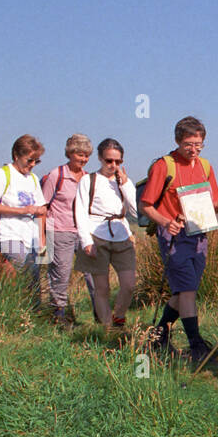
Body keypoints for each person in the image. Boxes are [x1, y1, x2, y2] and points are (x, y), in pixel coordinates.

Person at [140, 115, 218, 364]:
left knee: (184, 291)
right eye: (189, 144)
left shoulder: (205, 166)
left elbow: (211, 204)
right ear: (177, 141)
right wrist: (166, 223)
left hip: (199, 234)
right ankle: (196, 346)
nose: (194, 150)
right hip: (173, 235)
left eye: (198, 144)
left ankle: (158, 337)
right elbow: (146, 205)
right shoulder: (165, 165)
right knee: (188, 290)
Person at [74, 138, 138, 330]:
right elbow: (80, 211)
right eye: (109, 161)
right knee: (102, 288)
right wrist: (86, 241)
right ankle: (108, 328)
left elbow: (136, 211)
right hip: (96, 235)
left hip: (121, 234)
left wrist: (125, 185)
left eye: (118, 162)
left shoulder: (124, 182)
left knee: (129, 285)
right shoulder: (88, 180)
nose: (113, 165)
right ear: (100, 159)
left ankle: (119, 317)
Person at [0, 135, 48, 305]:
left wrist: (41, 237)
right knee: (25, 267)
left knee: (33, 276)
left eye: (36, 161)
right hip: (8, 233)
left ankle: (32, 313)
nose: (32, 164)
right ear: (16, 156)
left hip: (30, 235)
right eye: (29, 160)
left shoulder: (33, 179)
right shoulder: (3, 174)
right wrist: (21, 210)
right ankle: (15, 309)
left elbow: (42, 209)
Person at [40, 134, 95, 328]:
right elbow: (43, 207)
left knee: (93, 273)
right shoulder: (57, 175)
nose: (84, 159)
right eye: (80, 155)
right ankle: (59, 316)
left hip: (83, 232)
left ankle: (101, 316)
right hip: (59, 231)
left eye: (87, 155)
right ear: (70, 153)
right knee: (61, 274)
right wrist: (42, 236)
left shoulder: (89, 178)